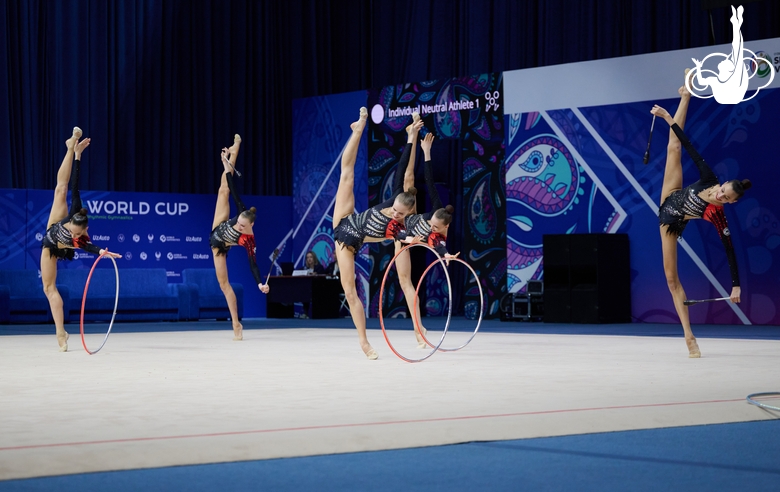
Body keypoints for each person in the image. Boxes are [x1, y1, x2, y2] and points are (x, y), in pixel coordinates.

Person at [650, 73, 750, 358]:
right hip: (672, 194)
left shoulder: (717, 216)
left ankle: (689, 337)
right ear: (721, 184)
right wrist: (669, 118)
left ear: (728, 203)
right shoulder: (709, 179)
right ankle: (686, 96)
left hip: (671, 222)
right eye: (722, 190)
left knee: (671, 279)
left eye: (726, 198)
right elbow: (689, 146)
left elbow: (729, 250)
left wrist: (735, 286)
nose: (720, 195)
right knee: (675, 147)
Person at [332, 107, 422, 359]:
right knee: (346, 176)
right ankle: (359, 129)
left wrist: (412, 239)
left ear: (406, 215)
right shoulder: (394, 200)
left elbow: (400, 236)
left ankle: (365, 341)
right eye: (394, 210)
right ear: (393, 203)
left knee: (351, 291)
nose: (394, 215)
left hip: (352, 241)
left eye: (400, 214)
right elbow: (403, 165)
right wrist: (410, 138)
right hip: (344, 222)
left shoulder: (399, 226)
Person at [40, 127, 121, 352]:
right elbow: (75, 184)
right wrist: (77, 155)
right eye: (74, 232)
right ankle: (69, 146)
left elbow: (90, 247)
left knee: (51, 286)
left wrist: (104, 252)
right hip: (52, 234)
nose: (76, 235)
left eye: (78, 233)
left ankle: (60, 332)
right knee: (61, 189)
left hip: (61, 247)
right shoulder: (74, 211)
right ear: (72, 222)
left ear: (84, 230)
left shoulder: (80, 239)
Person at [391, 131, 458, 348]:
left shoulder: (440, 230)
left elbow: (439, 245)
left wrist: (446, 254)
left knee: (409, 284)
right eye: (432, 225)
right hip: (404, 233)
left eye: (436, 227)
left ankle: (418, 330)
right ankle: (412, 136)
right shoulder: (435, 211)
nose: (433, 227)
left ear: (444, 227)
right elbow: (429, 181)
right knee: (408, 178)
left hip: (417, 238)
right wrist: (426, 152)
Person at [209, 134, 270, 341]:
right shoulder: (242, 212)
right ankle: (235, 149)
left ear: (250, 226)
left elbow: (253, 265)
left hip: (220, 247)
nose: (239, 225)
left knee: (225, 285)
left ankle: (236, 324)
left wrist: (260, 284)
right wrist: (226, 164)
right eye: (239, 222)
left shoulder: (248, 240)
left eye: (241, 226)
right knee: (223, 189)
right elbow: (232, 186)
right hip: (218, 230)